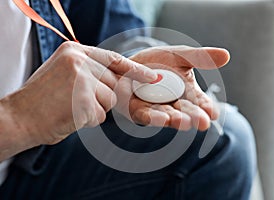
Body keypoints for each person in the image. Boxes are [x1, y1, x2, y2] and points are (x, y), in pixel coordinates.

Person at [0, 0, 257, 199]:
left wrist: (130, 69)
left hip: (25, 164)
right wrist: (18, 120)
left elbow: (114, 29)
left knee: (222, 142)